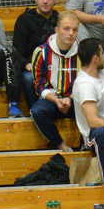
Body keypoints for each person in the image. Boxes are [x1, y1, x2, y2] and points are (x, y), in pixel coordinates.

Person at [28, 13, 82, 149]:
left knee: (92, 105)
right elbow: (39, 84)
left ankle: (86, 145)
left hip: (76, 99)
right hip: (52, 99)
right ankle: (60, 144)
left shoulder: (83, 51)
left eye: (75, 30)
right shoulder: (41, 52)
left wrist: (70, 98)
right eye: (66, 28)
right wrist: (56, 100)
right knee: (37, 111)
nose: (71, 33)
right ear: (57, 29)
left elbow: (85, 82)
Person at [71, 40, 104, 182]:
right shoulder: (85, 84)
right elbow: (93, 121)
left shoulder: (103, 71)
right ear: (96, 58)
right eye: (102, 53)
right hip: (93, 136)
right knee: (103, 134)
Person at [12, 0, 60, 103]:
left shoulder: (60, 19)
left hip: (57, 66)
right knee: (29, 78)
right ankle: (35, 109)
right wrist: (26, 65)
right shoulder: (24, 20)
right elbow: (16, 50)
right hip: (32, 68)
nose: (45, 1)